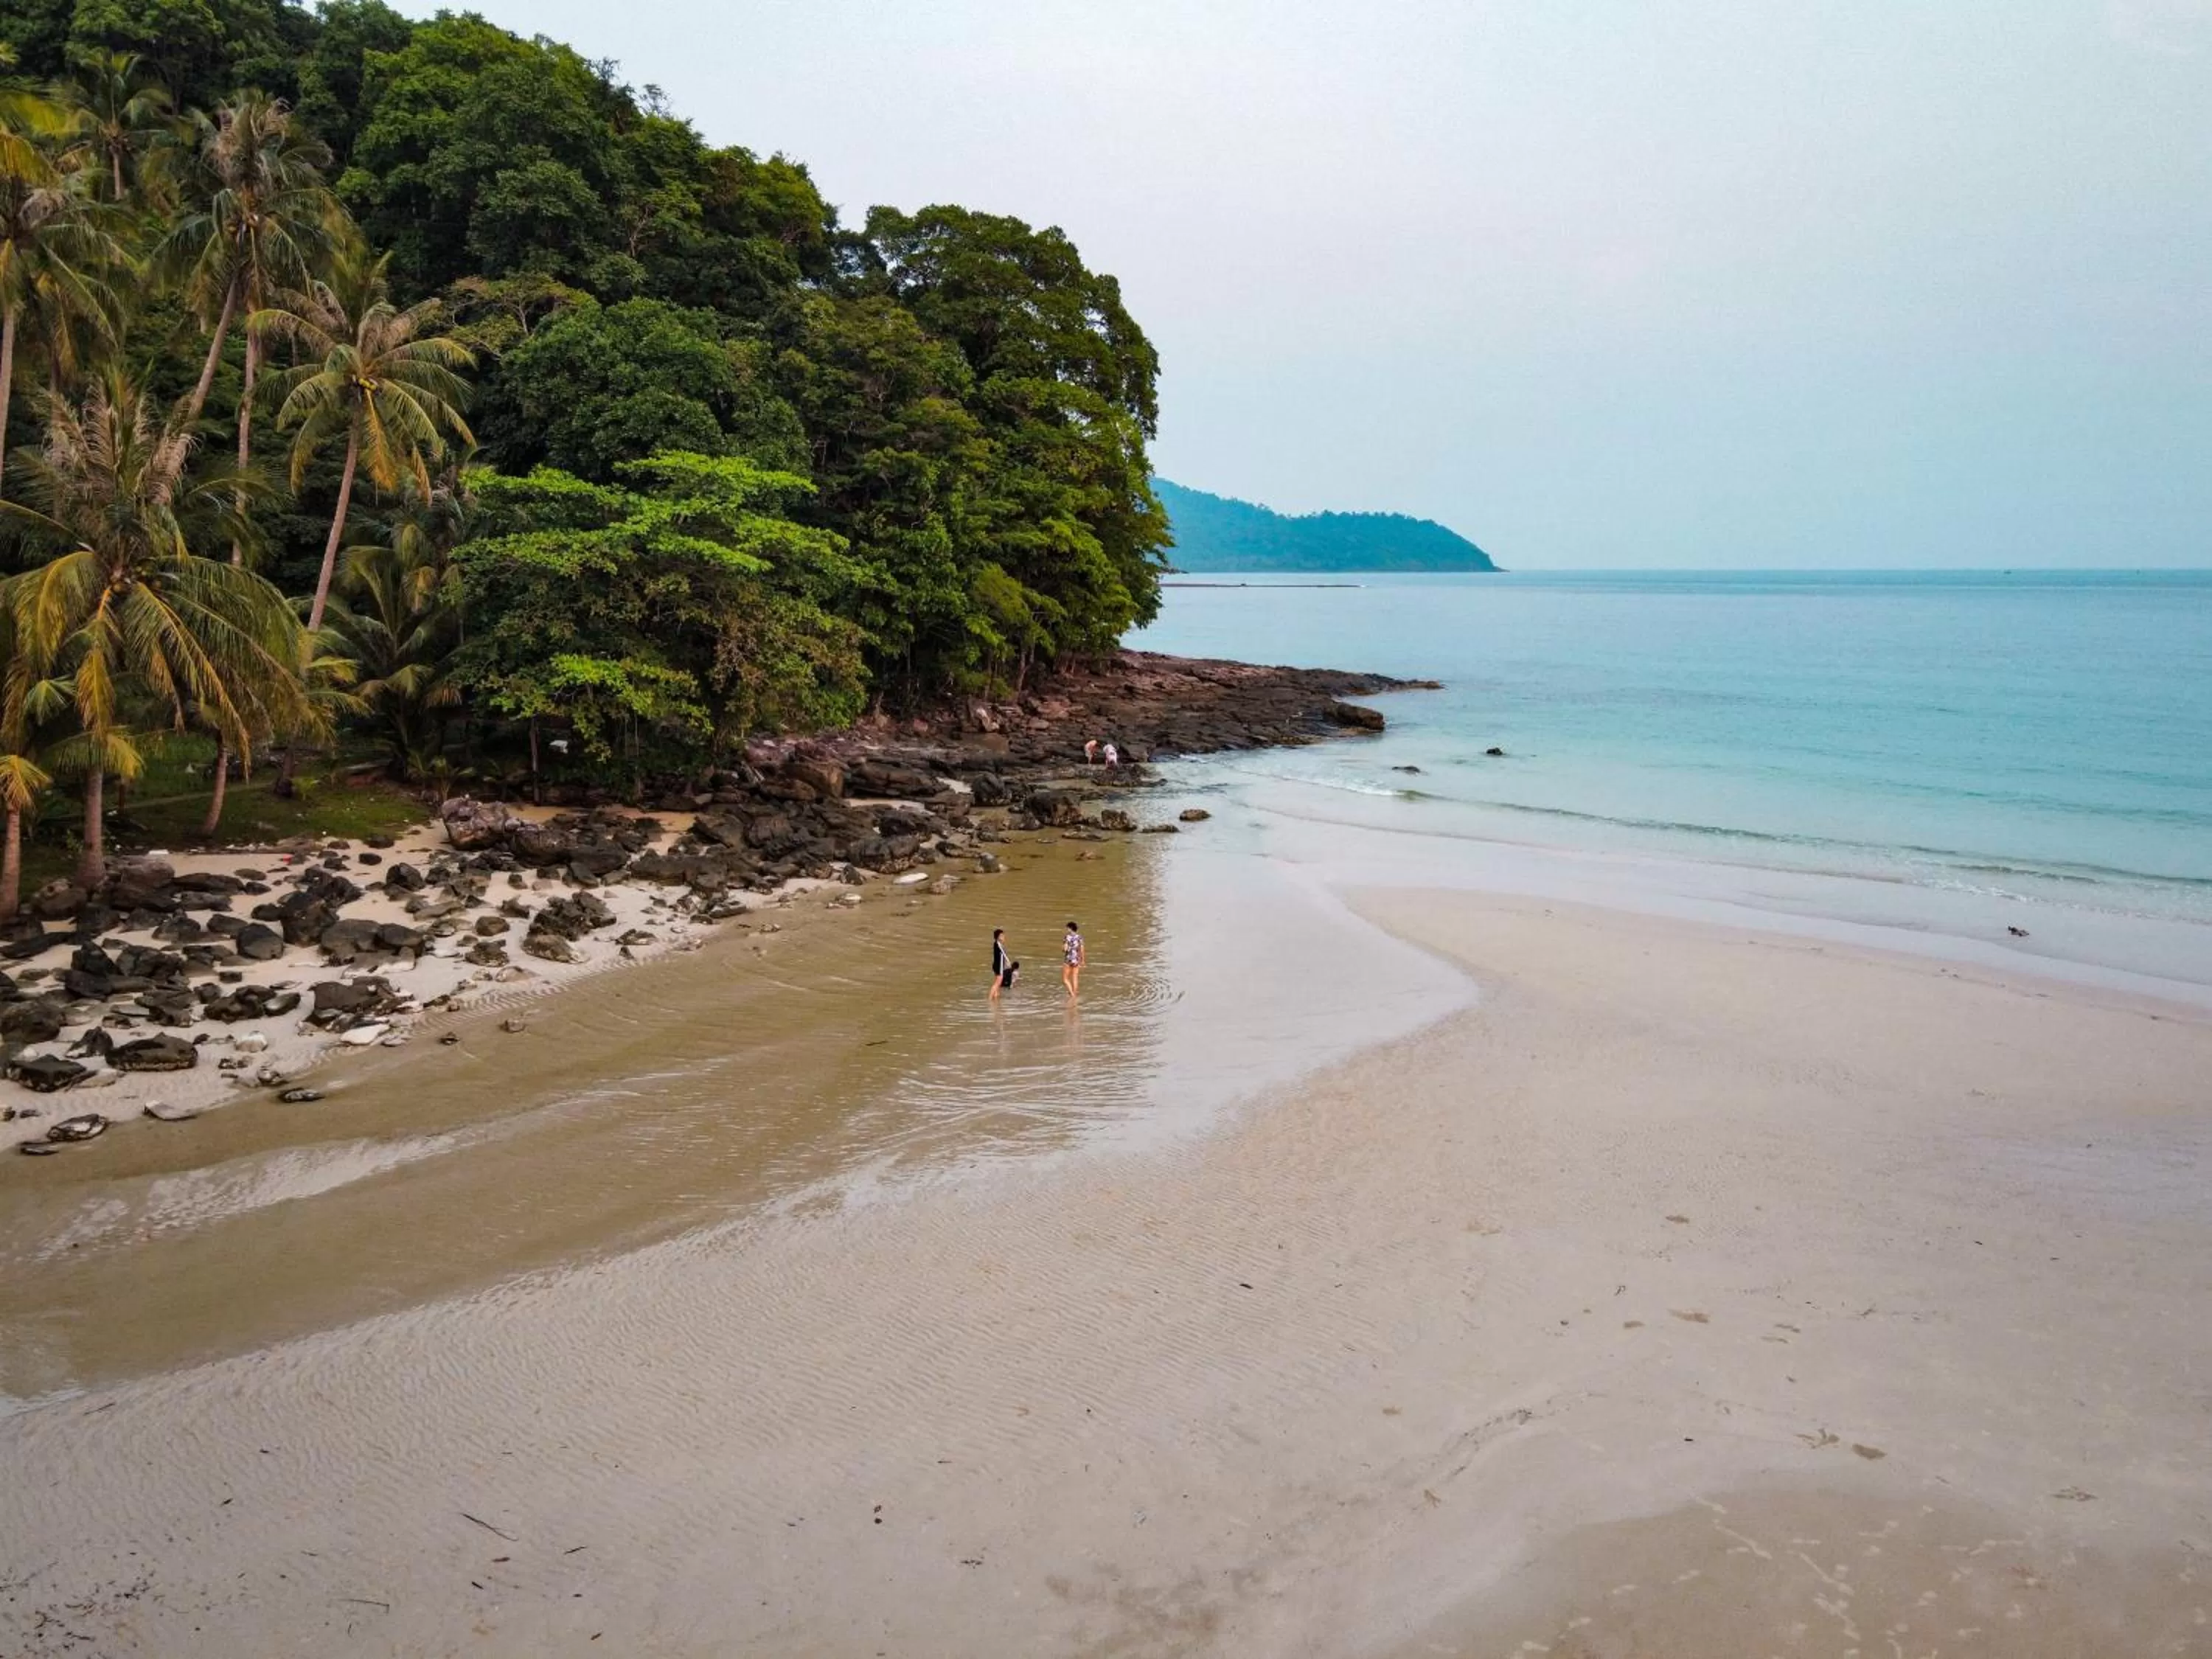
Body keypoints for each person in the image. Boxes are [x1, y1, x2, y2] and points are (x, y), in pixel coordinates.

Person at [990, 928, 1018, 1000]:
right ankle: (990, 999)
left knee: (997, 982)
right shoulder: (998, 944)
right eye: (1002, 936)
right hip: (999, 966)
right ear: (998, 937)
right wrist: (1008, 962)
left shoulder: (996, 944)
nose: (1003, 937)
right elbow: (1003, 954)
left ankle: (996, 998)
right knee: (997, 983)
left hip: (997, 965)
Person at [1062, 919, 1085, 998]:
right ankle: (1075, 994)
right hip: (1076, 960)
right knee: (1075, 978)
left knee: (1065, 979)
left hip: (1068, 959)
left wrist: (1063, 948)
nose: (1067, 929)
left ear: (1070, 928)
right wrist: (1082, 960)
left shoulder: (1067, 937)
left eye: (1068, 928)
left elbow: (1065, 949)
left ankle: (1072, 994)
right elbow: (1081, 949)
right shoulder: (1080, 937)